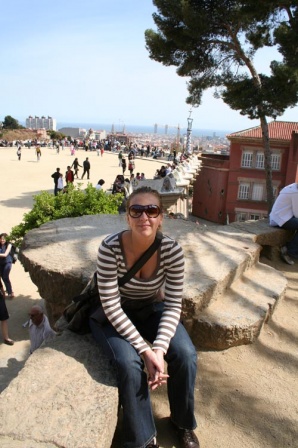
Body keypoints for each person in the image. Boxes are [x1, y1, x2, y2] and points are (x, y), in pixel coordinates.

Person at [90, 186, 199, 448]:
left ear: (161, 217)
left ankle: (182, 423)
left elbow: (173, 304)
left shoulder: (172, 251)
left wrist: (159, 349)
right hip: (112, 314)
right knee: (129, 363)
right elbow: (112, 305)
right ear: (127, 217)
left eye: (151, 210)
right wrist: (144, 351)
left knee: (185, 354)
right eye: (135, 211)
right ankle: (143, 438)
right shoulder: (110, 248)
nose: (144, 217)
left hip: (151, 308)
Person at [269, 182, 298, 265]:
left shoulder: (293, 187)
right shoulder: (295, 193)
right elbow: (297, 214)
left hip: (279, 217)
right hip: (281, 219)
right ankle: (290, 250)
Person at [0, 233, 14, 298]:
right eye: (1, 239)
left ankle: (10, 292)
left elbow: (5, 254)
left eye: (3, 239)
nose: (2, 240)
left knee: (5, 277)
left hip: (7, 262)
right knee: (2, 277)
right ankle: (6, 291)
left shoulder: (9, 244)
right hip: (1, 263)